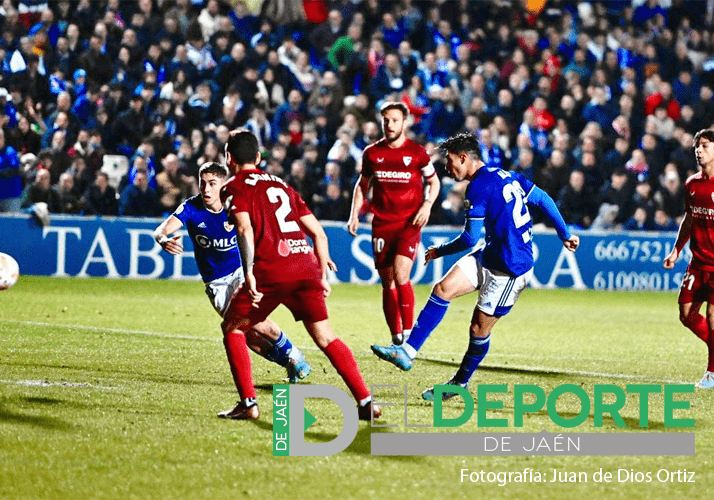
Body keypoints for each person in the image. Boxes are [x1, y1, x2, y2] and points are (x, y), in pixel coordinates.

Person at [371, 132, 580, 400]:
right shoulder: (507, 175)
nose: (447, 168)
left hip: (510, 269)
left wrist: (440, 251)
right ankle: (407, 352)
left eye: (450, 162)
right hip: (492, 253)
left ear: (464, 157)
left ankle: (460, 382)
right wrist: (565, 234)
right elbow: (543, 199)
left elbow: (470, 238)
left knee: (478, 329)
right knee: (443, 288)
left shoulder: (479, 187)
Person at [217, 130, 380, 420]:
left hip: (272, 268)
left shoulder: (233, 187)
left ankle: (248, 404)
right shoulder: (283, 185)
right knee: (326, 337)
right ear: (258, 157)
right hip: (305, 265)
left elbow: (244, 229)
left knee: (234, 327)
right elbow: (317, 232)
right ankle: (366, 401)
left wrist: (249, 272)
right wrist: (322, 273)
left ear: (229, 159)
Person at [153, 161, 311, 385]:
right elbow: (162, 229)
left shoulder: (236, 205)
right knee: (246, 336)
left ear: (222, 184)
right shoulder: (191, 207)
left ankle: (296, 355)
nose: (206, 189)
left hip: (241, 272)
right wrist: (163, 240)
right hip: (215, 284)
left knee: (254, 320)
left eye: (212, 183)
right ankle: (290, 363)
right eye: (202, 183)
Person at [348, 102, 440, 346]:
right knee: (387, 281)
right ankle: (396, 336)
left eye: (395, 120)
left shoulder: (418, 153)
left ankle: (409, 336)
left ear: (405, 123)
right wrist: (354, 214)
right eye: (386, 120)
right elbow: (362, 184)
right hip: (382, 224)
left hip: (409, 223)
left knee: (401, 275)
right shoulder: (372, 153)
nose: (389, 125)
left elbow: (435, 182)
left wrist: (427, 204)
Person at [663, 129, 714, 388]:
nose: (698, 150)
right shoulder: (692, 184)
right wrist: (676, 250)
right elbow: (690, 218)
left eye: (704, 145)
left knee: (713, 317)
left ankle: (711, 373)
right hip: (698, 262)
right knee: (686, 314)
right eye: (696, 146)